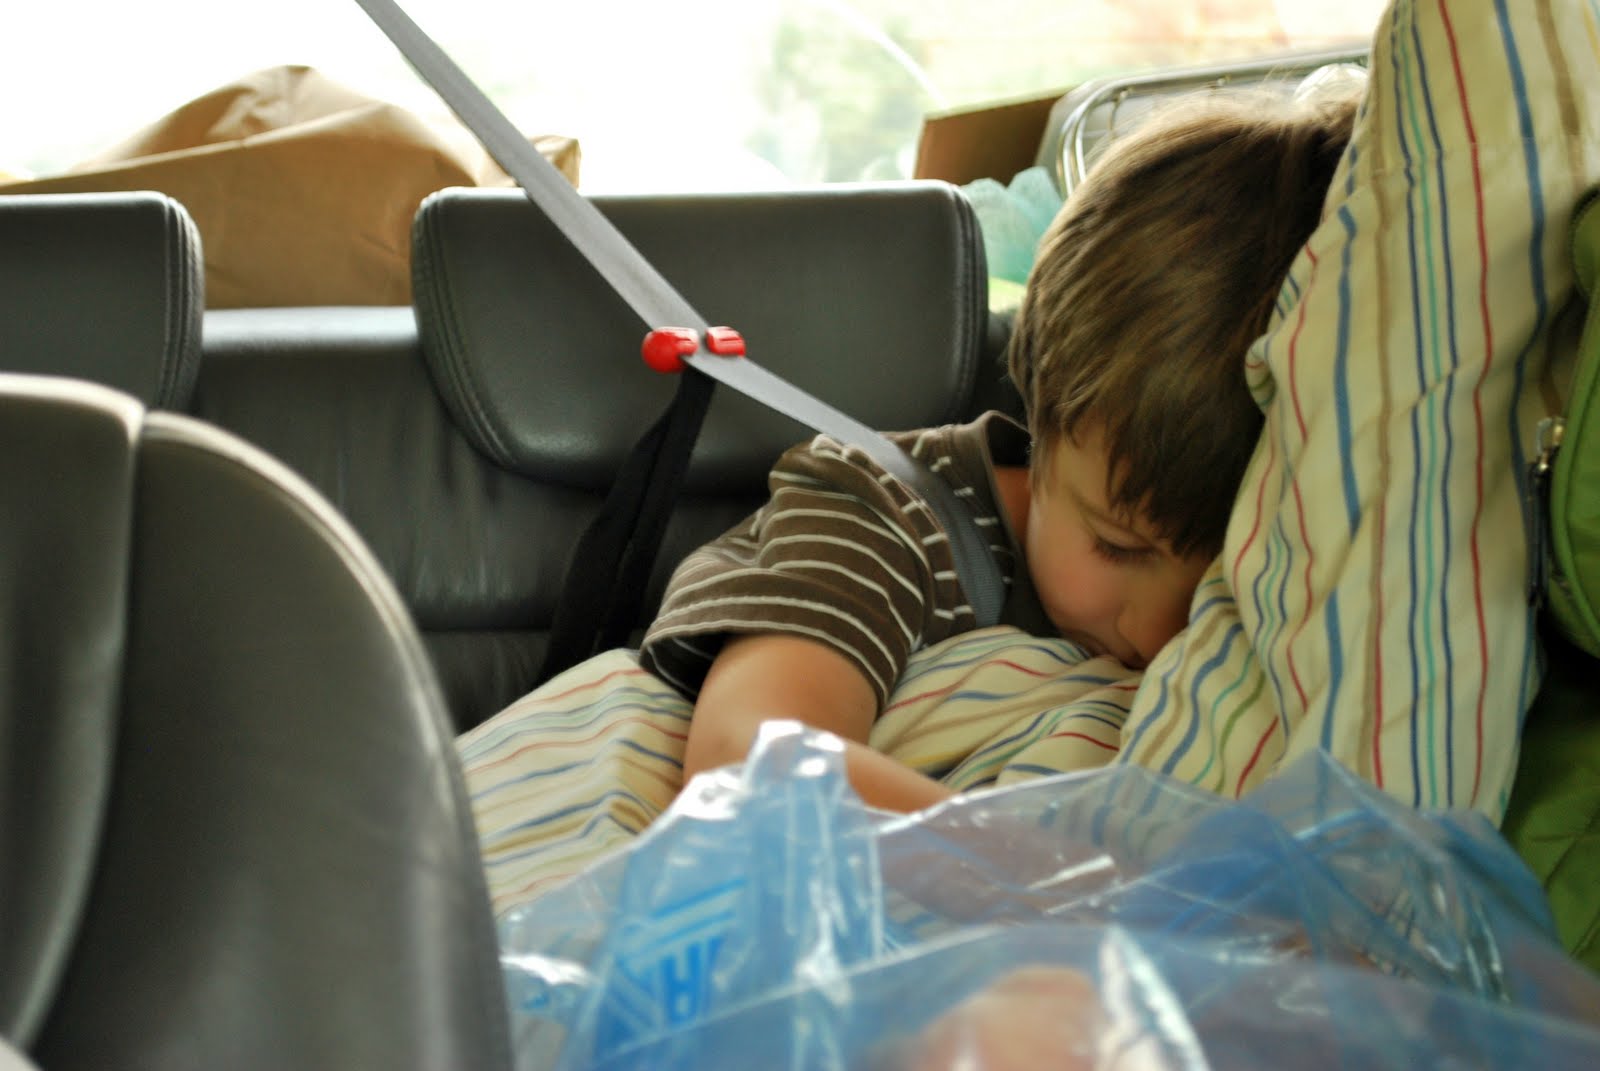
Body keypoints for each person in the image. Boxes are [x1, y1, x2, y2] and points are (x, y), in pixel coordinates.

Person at [637, 86, 1360, 813]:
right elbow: (753, 762)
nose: (1158, 632)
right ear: (1039, 403)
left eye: (1222, 573)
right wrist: (1036, 872)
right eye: (1118, 546)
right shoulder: (886, 516)